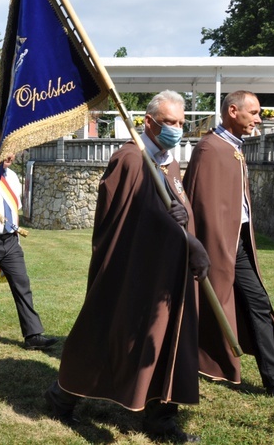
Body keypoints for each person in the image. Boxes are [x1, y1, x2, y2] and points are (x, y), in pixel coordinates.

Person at [44, 90, 210, 443]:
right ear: (149, 123)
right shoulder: (131, 159)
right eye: (169, 122)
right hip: (130, 272)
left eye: (181, 122)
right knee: (108, 335)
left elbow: (171, 212)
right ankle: (62, 397)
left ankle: (160, 418)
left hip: (166, 277)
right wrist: (176, 230)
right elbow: (122, 217)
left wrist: (182, 228)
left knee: (164, 342)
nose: (177, 129)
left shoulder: (169, 163)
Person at [183, 90, 274, 401]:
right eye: (255, 112)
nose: (260, 119)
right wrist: (210, 247)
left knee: (258, 302)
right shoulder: (210, 148)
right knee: (205, 306)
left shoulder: (232, 147)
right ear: (233, 111)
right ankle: (182, 364)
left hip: (239, 242)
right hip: (217, 246)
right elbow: (201, 205)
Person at [0, 131, 58, 350]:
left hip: (10, 241)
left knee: (22, 284)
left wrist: (15, 237)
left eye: (14, 151)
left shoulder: (13, 177)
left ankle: (33, 335)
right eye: (6, 150)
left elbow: (14, 212)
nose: (11, 155)